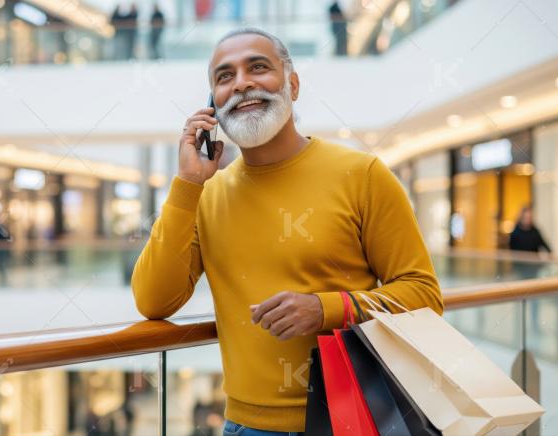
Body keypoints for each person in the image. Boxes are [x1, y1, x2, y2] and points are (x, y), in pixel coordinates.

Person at [130, 28, 443, 434]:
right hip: (245, 426)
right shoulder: (205, 195)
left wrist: (326, 308)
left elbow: (423, 295)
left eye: (258, 67)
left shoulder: (362, 175)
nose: (241, 83)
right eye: (225, 77)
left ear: (292, 85)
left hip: (353, 418)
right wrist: (187, 183)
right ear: (213, 104)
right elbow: (153, 300)